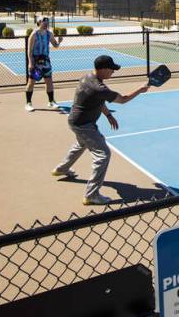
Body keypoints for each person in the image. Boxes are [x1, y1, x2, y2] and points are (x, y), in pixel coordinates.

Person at [52, 55, 150, 206]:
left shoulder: (86, 78)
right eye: (111, 69)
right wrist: (140, 90)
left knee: (81, 144)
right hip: (84, 124)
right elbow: (123, 99)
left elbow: (98, 101)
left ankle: (62, 168)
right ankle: (91, 195)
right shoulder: (99, 88)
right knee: (103, 154)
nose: (113, 72)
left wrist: (108, 115)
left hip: (75, 120)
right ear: (103, 69)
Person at [25, 16, 63, 112]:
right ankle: (28, 103)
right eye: (44, 22)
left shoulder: (49, 34)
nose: (46, 24)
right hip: (36, 63)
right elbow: (29, 50)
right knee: (31, 82)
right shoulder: (34, 34)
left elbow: (55, 45)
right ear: (39, 22)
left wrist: (59, 42)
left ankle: (51, 101)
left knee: (49, 81)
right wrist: (30, 63)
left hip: (46, 62)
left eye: (47, 22)